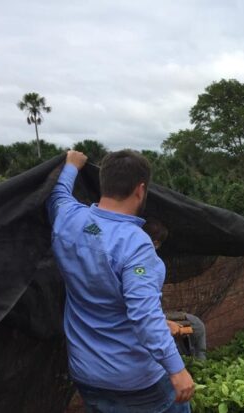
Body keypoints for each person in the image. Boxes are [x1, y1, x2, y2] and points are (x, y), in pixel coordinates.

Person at [47, 150, 194, 413]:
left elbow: (58, 195)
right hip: (136, 381)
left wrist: (71, 165)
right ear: (140, 190)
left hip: (86, 372)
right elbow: (144, 315)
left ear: (104, 183)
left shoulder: (69, 218)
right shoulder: (136, 245)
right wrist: (176, 368)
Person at [143, 218, 208, 361]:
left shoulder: (155, 263)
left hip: (155, 315)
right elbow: (142, 310)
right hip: (147, 318)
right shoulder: (143, 265)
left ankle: (200, 364)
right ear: (154, 243)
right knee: (188, 328)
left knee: (196, 325)